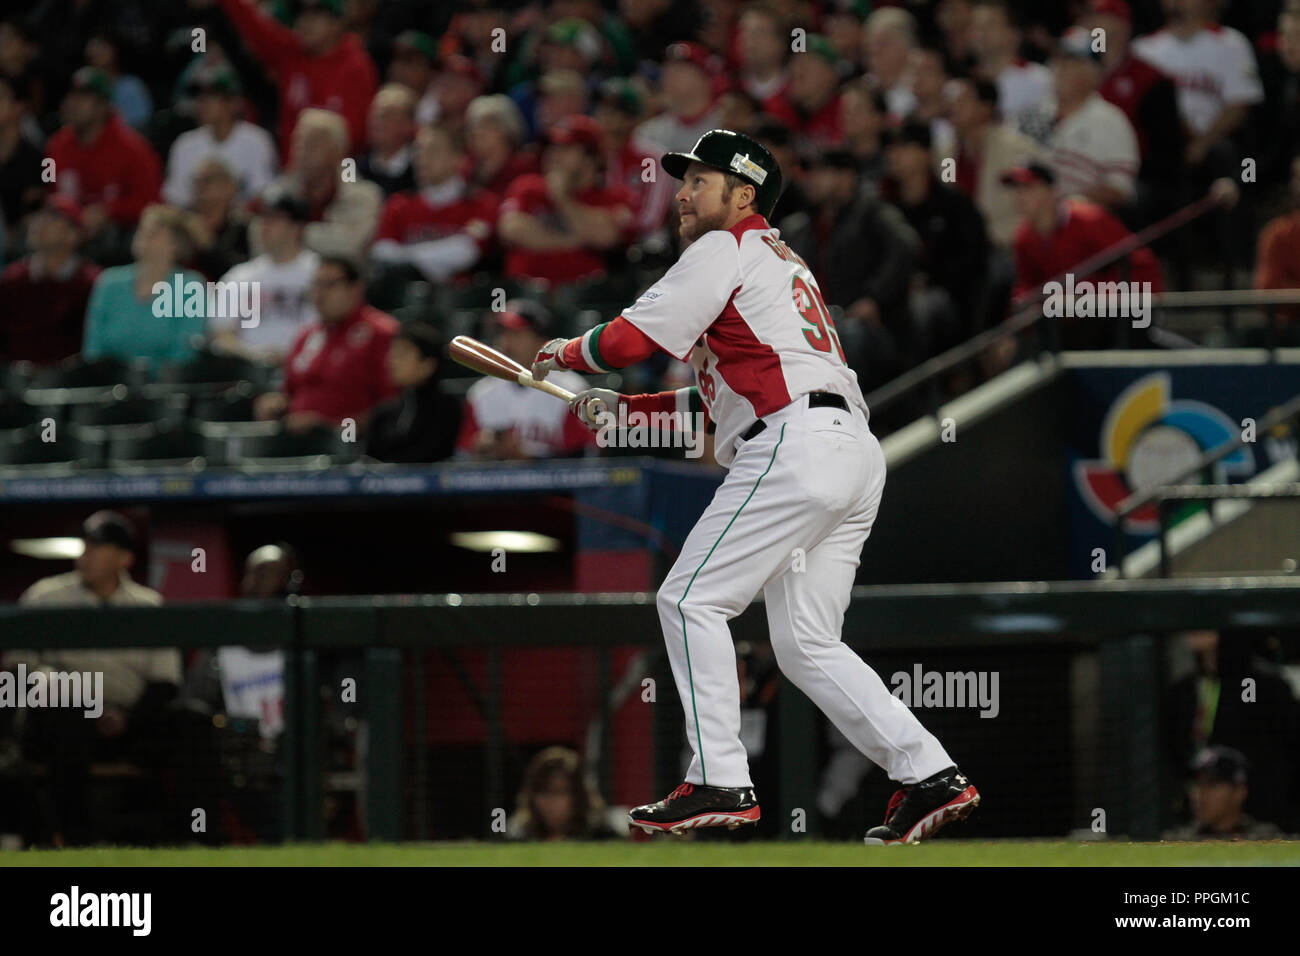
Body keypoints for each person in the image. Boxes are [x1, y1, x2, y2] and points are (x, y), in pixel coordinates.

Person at [529, 128, 978, 841]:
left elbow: (626, 344)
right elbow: (710, 409)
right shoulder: (775, 264)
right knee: (806, 644)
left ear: (744, 196)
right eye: (683, 180)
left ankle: (718, 779)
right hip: (847, 451)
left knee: (688, 597)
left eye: (700, 181)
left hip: (795, 444)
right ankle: (929, 773)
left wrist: (568, 351)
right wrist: (620, 412)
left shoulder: (725, 246)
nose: (681, 192)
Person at [4, 511, 182, 844]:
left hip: (130, 722)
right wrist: (81, 697)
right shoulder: (45, 597)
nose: (85, 553)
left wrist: (126, 719)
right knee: (67, 706)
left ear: (125, 557)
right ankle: (75, 839)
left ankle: (195, 837)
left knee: (191, 718)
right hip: (60, 716)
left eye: (98, 547)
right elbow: (17, 672)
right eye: (84, 545)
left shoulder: (148, 606)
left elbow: (165, 683)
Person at [213, 0, 378, 160]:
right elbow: (252, 24)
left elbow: (357, 136)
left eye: (315, 16)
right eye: (301, 16)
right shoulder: (291, 53)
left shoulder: (356, 65)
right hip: (293, 172)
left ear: (337, 23)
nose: (304, 23)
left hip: (342, 170)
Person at [254, 255, 397, 432]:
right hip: (298, 444)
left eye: (329, 285)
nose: (319, 294)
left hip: (352, 444)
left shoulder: (381, 333)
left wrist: (329, 429)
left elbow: (392, 408)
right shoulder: (306, 336)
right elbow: (289, 392)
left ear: (355, 288)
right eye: (316, 285)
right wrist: (275, 403)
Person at [498, 114, 634, 287]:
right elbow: (511, 229)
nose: (553, 155)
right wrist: (575, 239)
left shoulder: (614, 196)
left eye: (565, 148)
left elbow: (604, 237)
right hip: (524, 292)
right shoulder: (527, 186)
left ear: (591, 157)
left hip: (586, 295)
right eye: (551, 147)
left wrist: (562, 199)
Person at [456, 301, 593, 461]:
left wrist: (527, 458)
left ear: (542, 341)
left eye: (516, 335)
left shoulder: (571, 389)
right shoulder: (480, 393)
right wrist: (481, 451)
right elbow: (462, 458)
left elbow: (583, 461)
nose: (505, 343)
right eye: (502, 334)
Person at [82, 204, 209, 373]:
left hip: (167, 390)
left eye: (154, 232)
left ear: (176, 244)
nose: (143, 237)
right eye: (142, 229)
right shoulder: (108, 282)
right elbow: (93, 348)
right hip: (109, 386)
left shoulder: (190, 287)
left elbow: (185, 352)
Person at [1021, 29, 1139, 210]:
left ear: (1094, 74)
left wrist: (1063, 204)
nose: (1060, 69)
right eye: (1058, 60)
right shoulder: (1032, 113)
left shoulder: (1111, 121)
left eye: (1071, 63)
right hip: (1022, 215)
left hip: (1078, 221)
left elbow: (1120, 190)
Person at [369, 123, 497, 285]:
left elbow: (467, 252)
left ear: (458, 159)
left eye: (433, 150)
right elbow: (382, 252)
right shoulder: (399, 204)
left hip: (463, 298)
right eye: (418, 150)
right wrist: (435, 260)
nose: (422, 157)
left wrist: (405, 257)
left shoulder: (481, 203)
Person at [44, 66, 161, 238]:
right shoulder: (55, 146)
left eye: (84, 97)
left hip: (117, 234)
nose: (73, 103)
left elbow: (151, 204)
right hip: (67, 230)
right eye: (72, 95)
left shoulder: (134, 149)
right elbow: (49, 190)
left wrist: (109, 211)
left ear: (104, 106)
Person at [254, 109, 382, 261]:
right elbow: (259, 238)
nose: (301, 150)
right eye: (298, 142)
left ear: (338, 151)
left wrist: (295, 233)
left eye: (312, 143)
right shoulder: (280, 190)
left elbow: (349, 245)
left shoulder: (363, 195)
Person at [213, 192, 319, 365]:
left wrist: (290, 357)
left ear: (296, 227)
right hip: (249, 374)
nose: (264, 225)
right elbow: (222, 334)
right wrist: (256, 357)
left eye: (274, 219)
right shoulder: (239, 276)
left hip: (309, 369)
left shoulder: (320, 273)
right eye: (262, 218)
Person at [0, 196, 100, 365]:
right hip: (14, 384)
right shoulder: (11, 280)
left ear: (73, 235)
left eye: (51, 218)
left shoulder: (92, 284)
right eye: (38, 217)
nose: (38, 224)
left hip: (74, 384)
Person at [162, 68, 277, 208]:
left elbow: (262, 194)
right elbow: (175, 199)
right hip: (195, 222)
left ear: (233, 103)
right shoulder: (185, 144)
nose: (201, 104)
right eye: (198, 97)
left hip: (240, 223)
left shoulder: (256, 140)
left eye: (210, 97)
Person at [365, 322, 461, 464]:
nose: (392, 361)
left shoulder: (447, 407)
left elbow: (431, 455)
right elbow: (371, 460)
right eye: (392, 353)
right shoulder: (383, 413)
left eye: (402, 354)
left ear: (427, 365)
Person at [1163, 746, 1286, 840]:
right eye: (1196, 785)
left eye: (1212, 785)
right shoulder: (1177, 840)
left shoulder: (1267, 839)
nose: (1198, 795)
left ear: (1239, 793)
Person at [507, 746, 622, 841]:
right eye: (543, 792)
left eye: (559, 792)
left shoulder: (603, 836)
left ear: (578, 795)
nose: (550, 801)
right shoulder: (519, 837)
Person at [969, 0, 1052, 121]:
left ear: (1014, 34)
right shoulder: (965, 83)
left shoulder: (1038, 79)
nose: (980, 33)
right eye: (975, 26)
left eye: (990, 25)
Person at [356, 84, 417, 197]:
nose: (376, 122)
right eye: (374, 114)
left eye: (387, 115)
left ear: (408, 124)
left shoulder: (420, 171)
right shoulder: (352, 166)